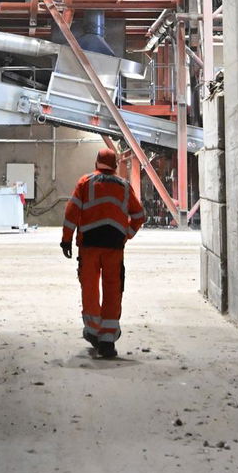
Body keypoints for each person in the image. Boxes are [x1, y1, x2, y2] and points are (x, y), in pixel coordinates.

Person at [60, 146, 145, 358]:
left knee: (89, 287)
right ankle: (107, 339)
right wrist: (127, 234)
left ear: (96, 163)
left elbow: (71, 212)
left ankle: (93, 331)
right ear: (115, 165)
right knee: (113, 288)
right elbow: (139, 214)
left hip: (89, 245)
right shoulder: (124, 186)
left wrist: (66, 240)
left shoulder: (85, 182)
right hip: (114, 246)